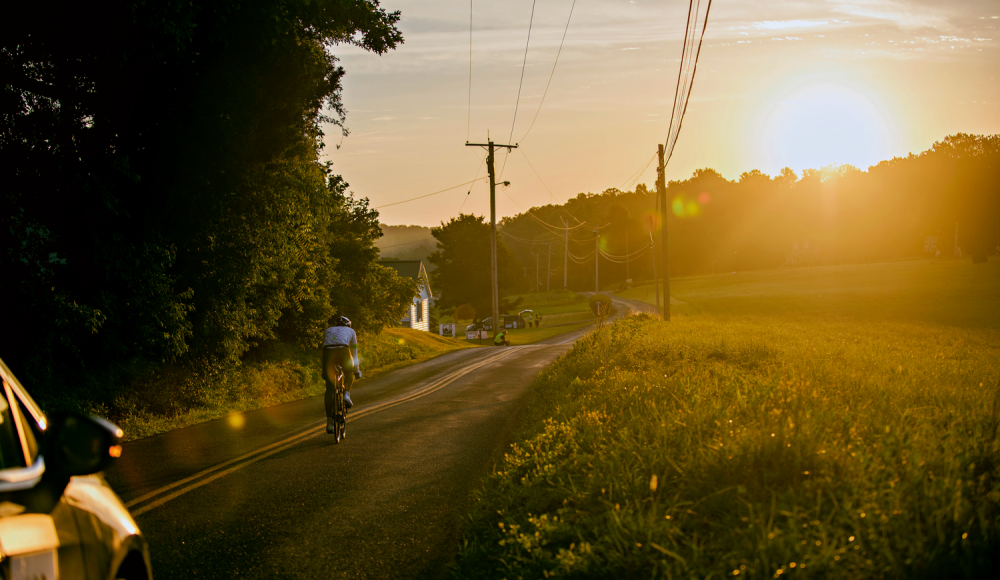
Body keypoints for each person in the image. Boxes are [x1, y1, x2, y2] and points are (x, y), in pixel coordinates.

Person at [322, 315, 362, 434]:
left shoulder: (328, 330)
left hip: (328, 352)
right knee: (348, 372)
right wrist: (356, 370)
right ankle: (346, 395)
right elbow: (354, 352)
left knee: (329, 389)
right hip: (343, 350)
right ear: (348, 325)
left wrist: (323, 370)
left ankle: (329, 422)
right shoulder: (351, 331)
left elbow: (323, 352)